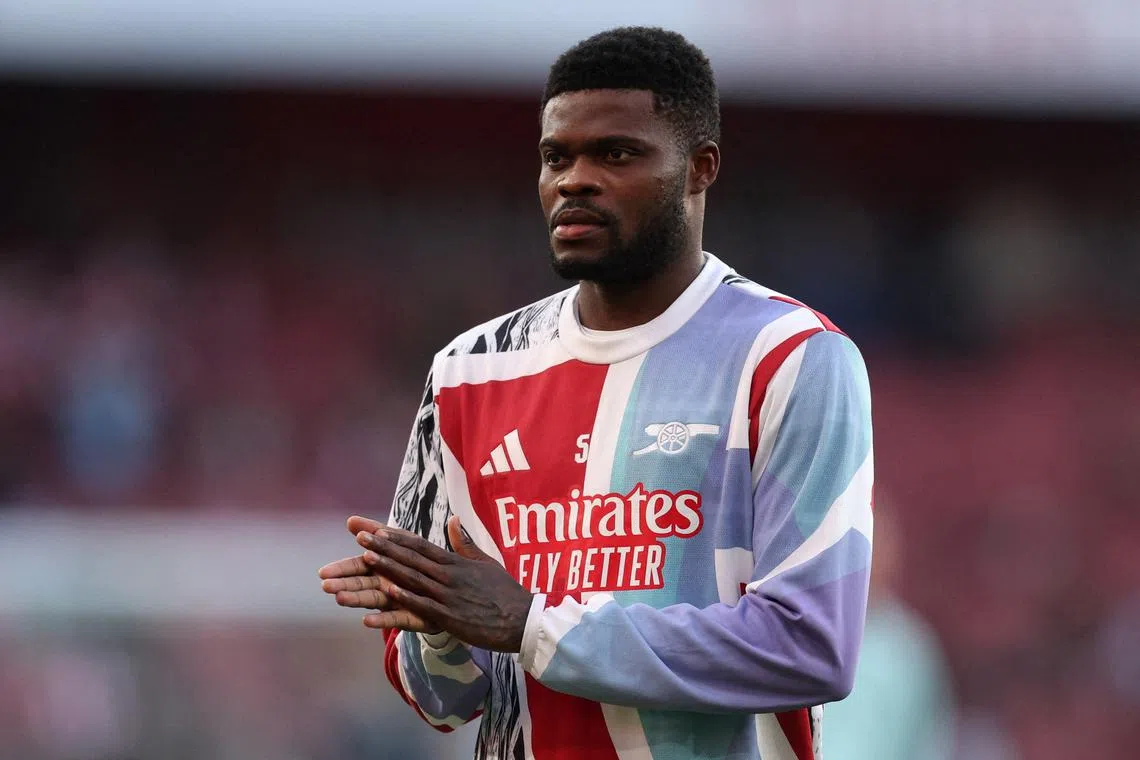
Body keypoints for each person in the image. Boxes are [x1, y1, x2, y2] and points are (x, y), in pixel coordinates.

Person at [319, 26, 874, 760]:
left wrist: (533, 625)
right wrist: (438, 624)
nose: (573, 180)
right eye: (557, 157)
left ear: (699, 168)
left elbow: (810, 647)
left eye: (616, 153)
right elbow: (446, 701)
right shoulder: (469, 372)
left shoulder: (793, 358)